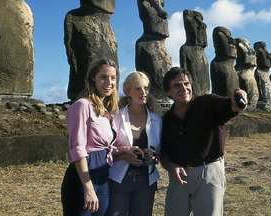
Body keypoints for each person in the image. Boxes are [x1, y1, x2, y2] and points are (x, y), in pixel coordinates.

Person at [160, 67, 247, 216]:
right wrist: (171, 167)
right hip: (179, 175)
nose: (184, 88)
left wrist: (238, 102)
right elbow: (164, 153)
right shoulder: (167, 119)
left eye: (187, 83)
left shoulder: (208, 103)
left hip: (209, 173)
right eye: (177, 85)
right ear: (168, 92)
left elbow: (230, 107)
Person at [61, 58, 119, 215]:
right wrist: (88, 187)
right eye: (103, 77)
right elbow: (77, 148)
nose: (109, 82)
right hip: (83, 179)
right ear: (93, 78)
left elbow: (103, 145)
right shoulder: (82, 105)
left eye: (113, 78)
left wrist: (125, 150)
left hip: (103, 178)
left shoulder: (106, 109)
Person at [107, 71, 162, 216]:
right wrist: (122, 155)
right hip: (118, 180)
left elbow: (161, 149)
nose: (143, 92)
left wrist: (154, 156)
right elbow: (105, 149)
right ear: (127, 92)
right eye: (138, 88)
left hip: (146, 182)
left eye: (146, 88)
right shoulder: (115, 117)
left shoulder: (157, 120)